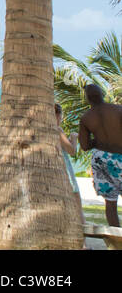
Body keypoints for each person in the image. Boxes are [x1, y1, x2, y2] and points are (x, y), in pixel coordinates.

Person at [78, 83, 122, 228]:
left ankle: (117, 239)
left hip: (101, 158)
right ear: (102, 94)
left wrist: (98, 141)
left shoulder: (86, 118)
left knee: (110, 202)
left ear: (87, 99)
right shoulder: (118, 109)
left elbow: (84, 146)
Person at [55, 103, 83, 220]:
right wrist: (74, 138)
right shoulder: (57, 130)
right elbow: (71, 151)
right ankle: (82, 224)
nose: (61, 120)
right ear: (57, 116)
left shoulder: (43, 129)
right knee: (76, 197)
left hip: (53, 166)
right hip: (64, 166)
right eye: (60, 117)